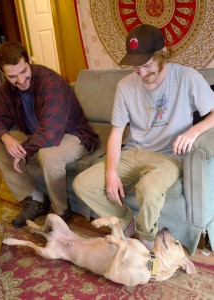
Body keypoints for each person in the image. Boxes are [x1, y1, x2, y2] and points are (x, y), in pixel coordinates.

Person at [73, 24, 214, 249]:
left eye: (147, 65)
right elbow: (116, 132)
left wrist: (193, 131)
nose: (141, 73)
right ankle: (125, 222)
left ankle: (146, 241)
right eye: (135, 67)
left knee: (148, 189)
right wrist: (110, 173)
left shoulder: (187, 77)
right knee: (83, 184)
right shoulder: (125, 86)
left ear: (162, 55)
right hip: (134, 152)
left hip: (169, 157)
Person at [0, 41, 99, 227]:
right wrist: (7, 139)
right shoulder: (7, 88)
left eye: (24, 71)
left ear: (29, 61)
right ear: (4, 74)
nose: (21, 81)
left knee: (48, 155)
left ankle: (61, 211)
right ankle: (35, 199)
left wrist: (22, 150)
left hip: (73, 135)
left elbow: (50, 134)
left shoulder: (50, 83)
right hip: (38, 135)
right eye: (13, 76)